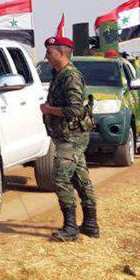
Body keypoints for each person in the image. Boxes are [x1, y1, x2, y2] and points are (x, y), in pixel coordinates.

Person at [40, 33, 98, 241]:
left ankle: (70, 227)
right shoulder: (60, 74)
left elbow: (74, 110)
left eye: (49, 52)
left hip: (71, 137)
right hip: (68, 136)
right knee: (80, 178)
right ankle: (91, 224)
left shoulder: (70, 76)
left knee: (60, 179)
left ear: (61, 53)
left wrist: (49, 109)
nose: (46, 56)